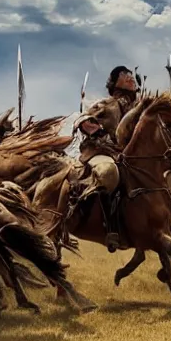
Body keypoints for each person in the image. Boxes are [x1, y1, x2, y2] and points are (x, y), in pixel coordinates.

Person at [71, 66, 139, 252]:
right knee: (108, 174)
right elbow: (82, 120)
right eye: (125, 76)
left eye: (131, 75)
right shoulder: (108, 105)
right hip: (103, 151)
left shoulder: (139, 108)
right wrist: (97, 130)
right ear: (115, 83)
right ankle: (111, 228)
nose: (130, 78)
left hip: (127, 155)